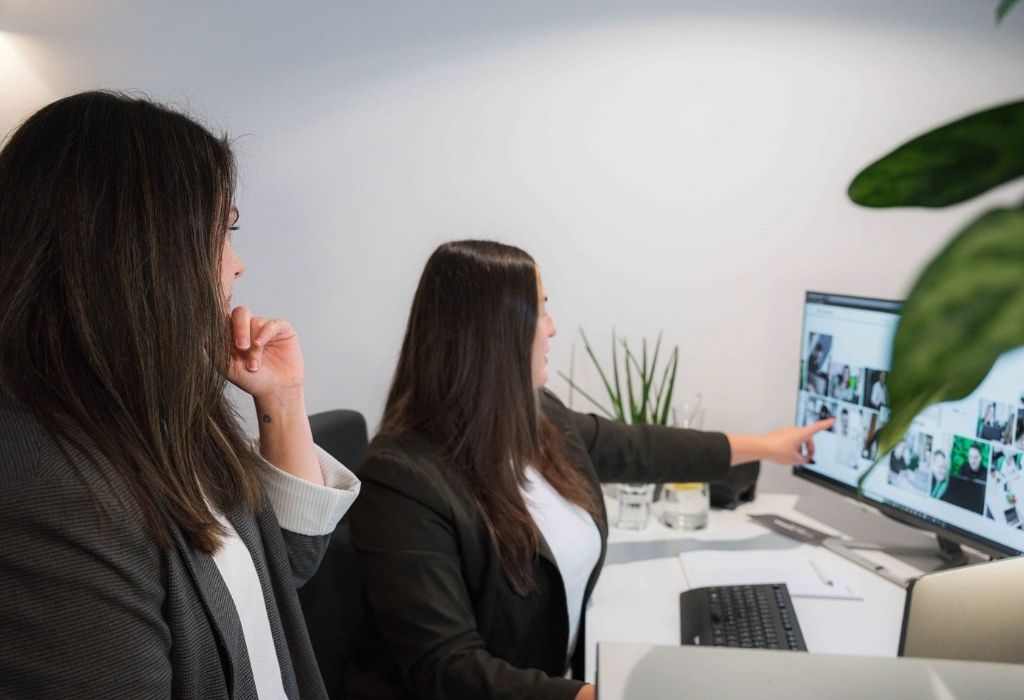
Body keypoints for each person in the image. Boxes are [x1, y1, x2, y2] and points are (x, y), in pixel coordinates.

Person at [346, 240, 833, 700]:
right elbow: (447, 667)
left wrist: (767, 448)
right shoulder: (401, 482)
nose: (553, 327)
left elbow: (639, 449)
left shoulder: (536, 419)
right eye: (541, 309)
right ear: (497, 332)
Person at [0, 92, 360, 698]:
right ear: (136, 248)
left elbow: (285, 565)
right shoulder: (49, 488)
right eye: (223, 231)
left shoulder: (162, 412)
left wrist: (283, 399)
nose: (237, 265)